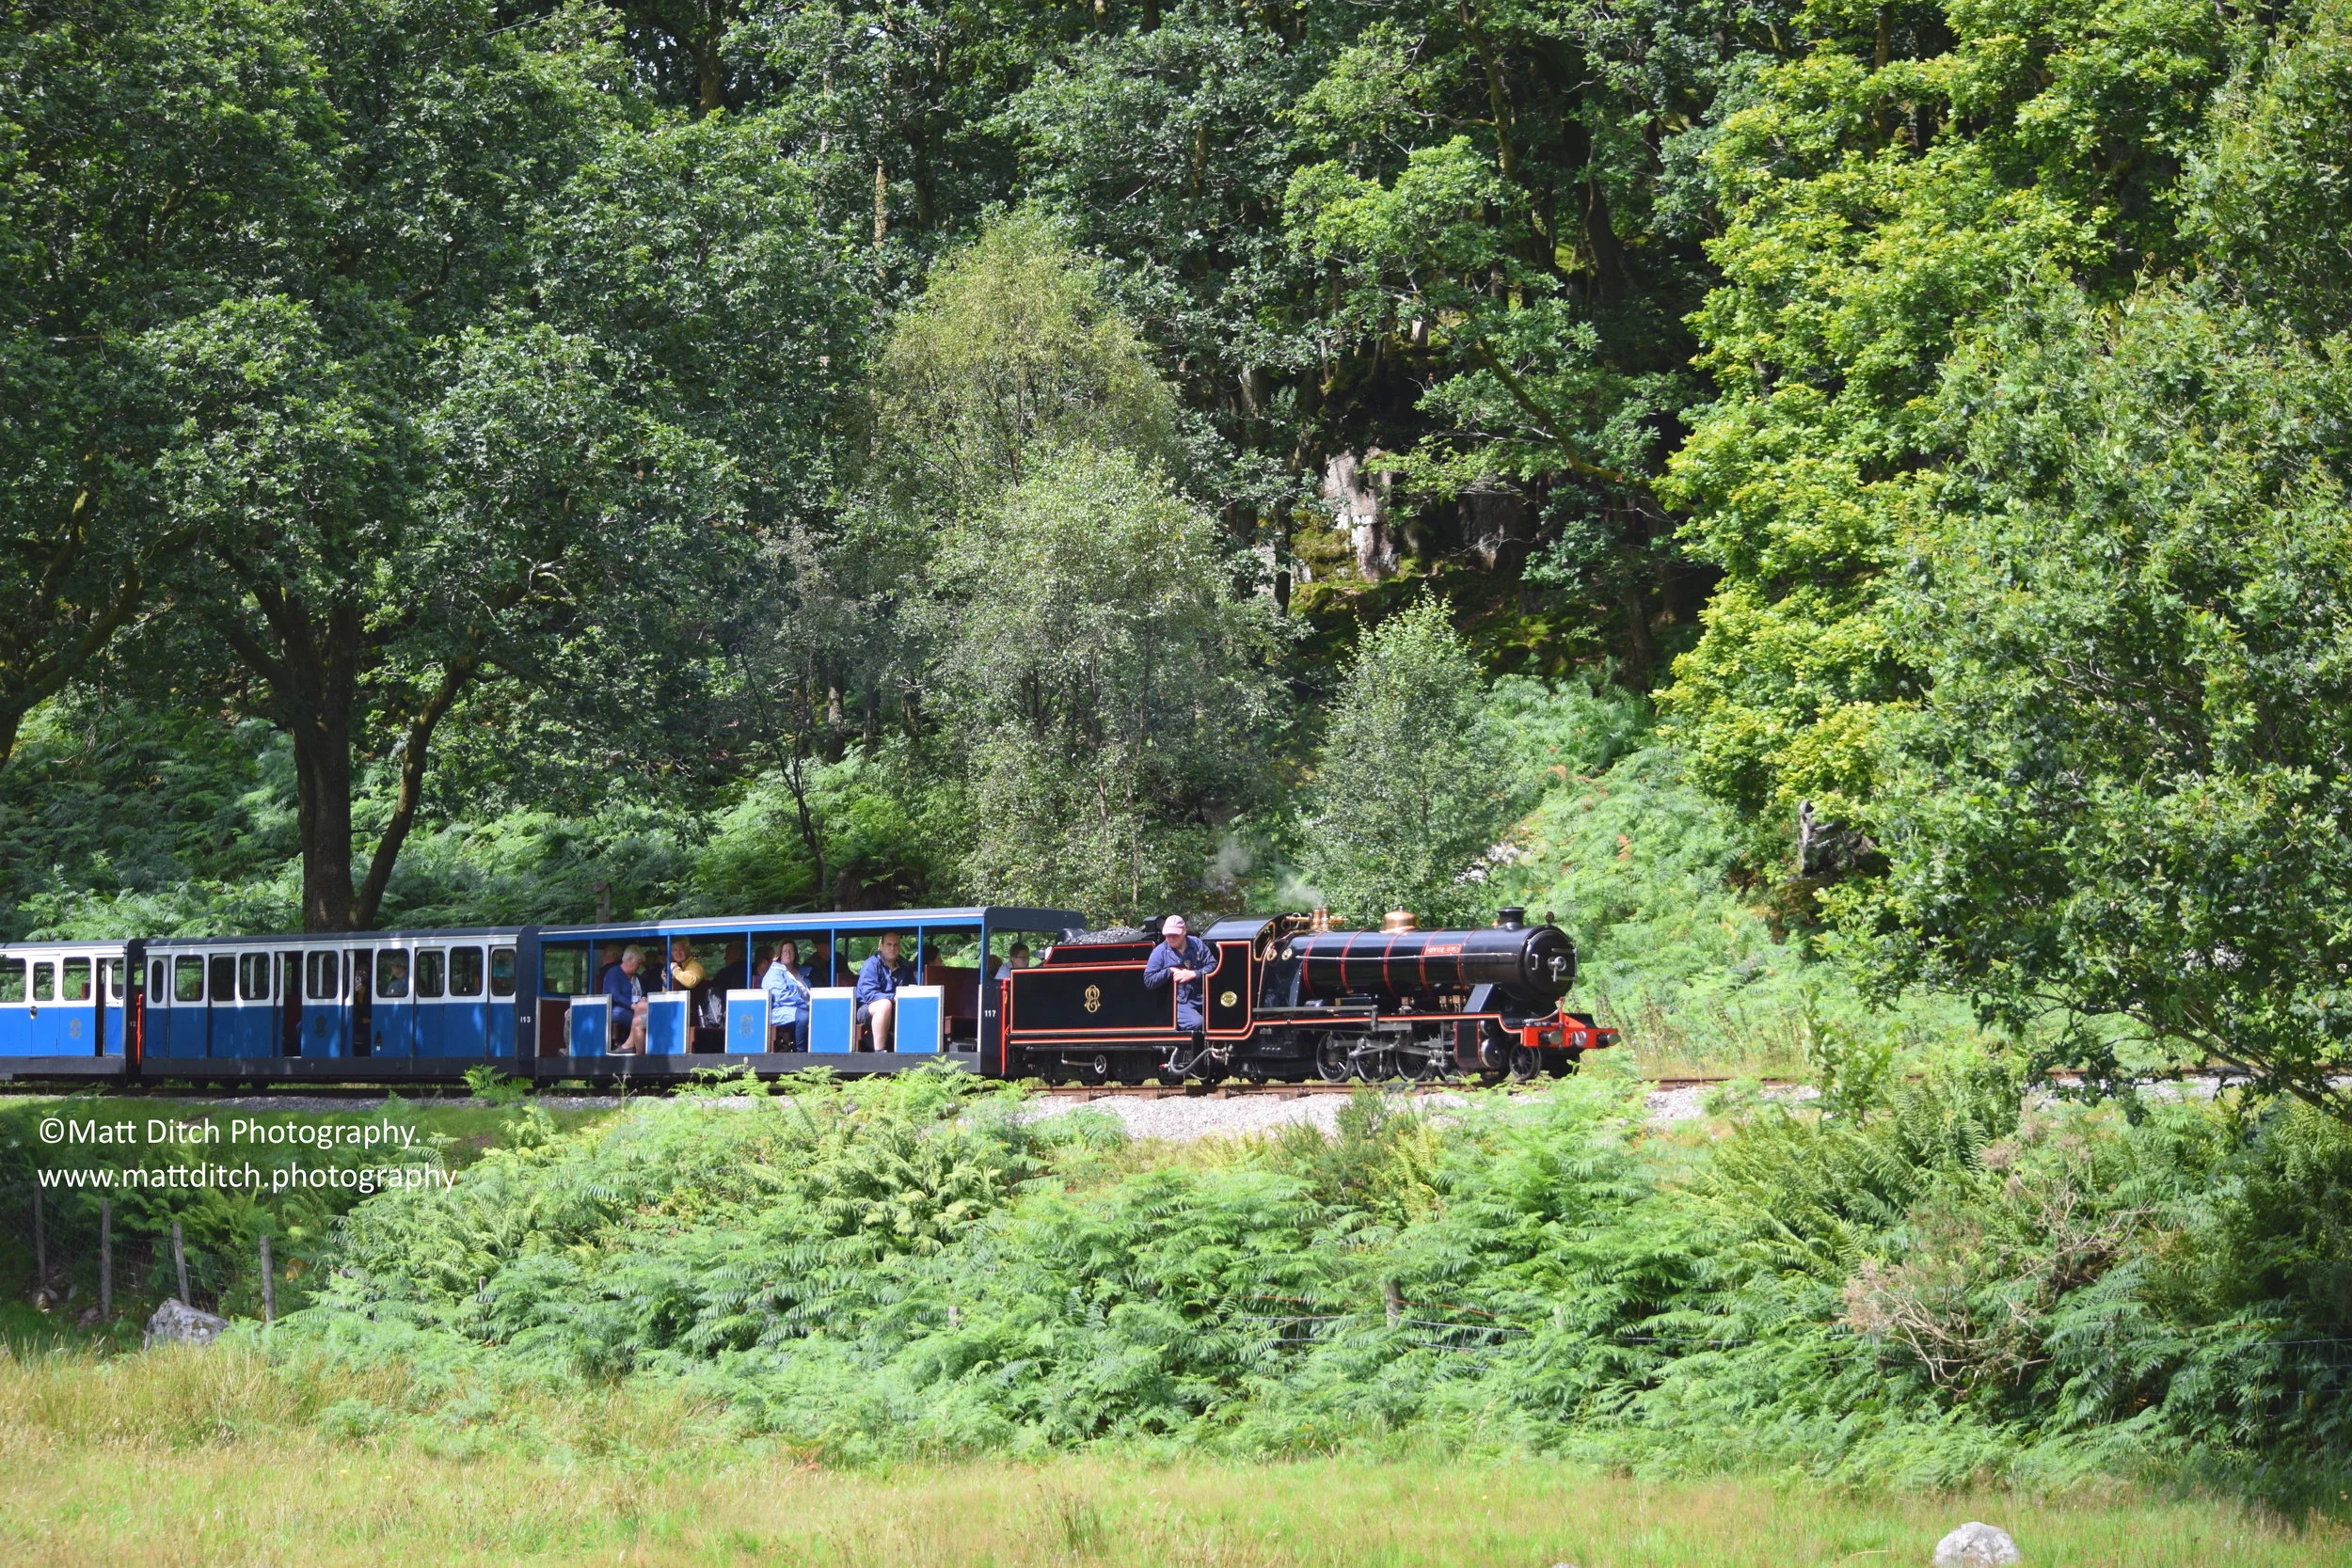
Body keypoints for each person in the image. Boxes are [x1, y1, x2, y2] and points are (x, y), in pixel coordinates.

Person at [1142, 915, 1219, 1073]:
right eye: (1168, 935)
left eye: (1174, 934)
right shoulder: (1160, 952)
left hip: (1201, 997)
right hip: (1179, 1003)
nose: (1170, 938)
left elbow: (1213, 965)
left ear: (1184, 931)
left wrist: (1194, 974)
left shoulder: (1197, 944)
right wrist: (1169, 971)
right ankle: (1199, 1063)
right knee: (1198, 1023)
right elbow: (1148, 980)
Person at [853, 930, 914, 1052]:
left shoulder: (904, 966)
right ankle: (879, 1052)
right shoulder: (871, 964)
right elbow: (869, 995)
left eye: (896, 945)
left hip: (894, 1007)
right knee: (884, 1004)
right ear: (881, 946)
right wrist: (892, 997)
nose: (892, 948)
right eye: (889, 944)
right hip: (865, 1009)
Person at [762, 939, 811, 1052]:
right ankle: (801, 1053)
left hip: (805, 1006)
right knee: (804, 1017)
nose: (788, 954)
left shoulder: (803, 971)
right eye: (785, 951)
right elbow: (781, 996)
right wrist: (804, 1004)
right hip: (779, 1009)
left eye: (791, 950)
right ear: (780, 954)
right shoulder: (775, 972)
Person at [603, 944, 649, 1053]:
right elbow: (615, 995)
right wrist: (633, 1006)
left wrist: (643, 999)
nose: (639, 967)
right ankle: (635, 1050)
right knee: (641, 1019)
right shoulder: (614, 972)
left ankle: (630, 1045)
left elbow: (644, 992)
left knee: (645, 1014)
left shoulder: (637, 977)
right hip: (615, 1010)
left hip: (636, 1009)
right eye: (638, 964)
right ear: (629, 960)